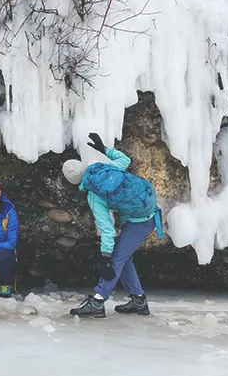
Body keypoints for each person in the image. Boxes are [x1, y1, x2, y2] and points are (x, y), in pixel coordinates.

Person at [62, 133, 163, 318]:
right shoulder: (104, 169)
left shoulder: (94, 194)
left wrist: (105, 256)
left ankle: (98, 301)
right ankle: (138, 299)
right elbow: (125, 160)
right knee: (125, 258)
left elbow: (107, 229)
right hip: (149, 213)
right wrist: (103, 149)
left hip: (139, 223)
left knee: (116, 259)